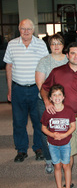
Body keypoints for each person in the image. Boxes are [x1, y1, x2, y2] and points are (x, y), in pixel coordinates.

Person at [41, 42, 77, 188]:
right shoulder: (57, 72)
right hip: (63, 120)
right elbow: (44, 88)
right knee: (68, 150)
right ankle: (67, 180)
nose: (76, 56)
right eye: (73, 53)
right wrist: (47, 102)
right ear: (67, 55)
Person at [4, 18, 49, 162]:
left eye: (29, 29)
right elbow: (9, 67)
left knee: (38, 121)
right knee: (19, 122)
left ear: (33, 30)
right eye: (23, 29)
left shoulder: (41, 44)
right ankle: (21, 150)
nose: (26, 32)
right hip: (18, 89)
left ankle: (38, 148)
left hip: (36, 89)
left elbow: (45, 67)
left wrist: (45, 90)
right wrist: (10, 90)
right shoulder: (12, 45)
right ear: (19, 29)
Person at [36, 33, 69, 174]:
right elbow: (40, 84)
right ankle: (49, 160)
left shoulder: (69, 59)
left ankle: (65, 160)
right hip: (46, 102)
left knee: (65, 130)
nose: (56, 46)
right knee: (47, 132)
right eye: (53, 43)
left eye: (59, 43)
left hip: (64, 102)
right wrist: (48, 102)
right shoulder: (44, 61)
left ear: (63, 45)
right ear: (49, 46)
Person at [41, 84, 76, 188]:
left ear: (63, 97)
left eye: (59, 94)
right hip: (52, 144)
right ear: (50, 98)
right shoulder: (48, 111)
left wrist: (65, 135)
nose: (57, 97)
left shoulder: (69, 110)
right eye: (54, 95)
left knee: (66, 166)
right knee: (57, 166)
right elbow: (43, 128)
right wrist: (52, 135)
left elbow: (73, 126)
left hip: (66, 143)